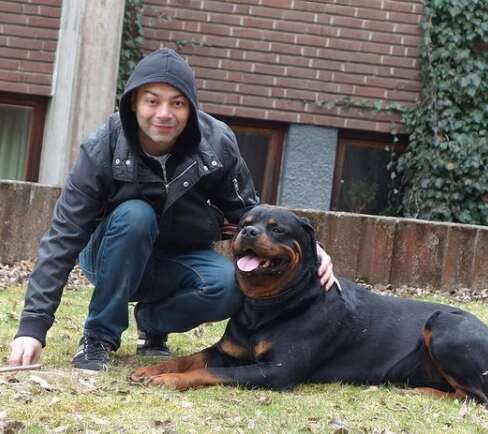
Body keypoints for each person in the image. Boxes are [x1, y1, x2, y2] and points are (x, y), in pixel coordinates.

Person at [8, 48, 334, 371]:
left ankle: (152, 323)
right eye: (152, 101)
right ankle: (98, 337)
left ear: (190, 108)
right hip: (111, 254)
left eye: (177, 103)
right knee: (135, 214)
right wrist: (32, 328)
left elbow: (248, 211)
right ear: (134, 102)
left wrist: (311, 249)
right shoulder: (102, 148)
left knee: (231, 286)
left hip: (181, 258)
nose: (164, 114)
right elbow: (63, 237)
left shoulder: (217, 144)